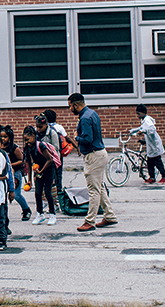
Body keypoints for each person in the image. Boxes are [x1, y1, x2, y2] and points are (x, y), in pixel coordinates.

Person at [66, 93, 118, 232]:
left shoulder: (84, 118)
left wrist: (77, 138)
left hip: (93, 156)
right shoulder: (92, 113)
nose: (70, 109)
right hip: (99, 153)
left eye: (70, 106)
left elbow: (88, 139)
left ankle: (90, 221)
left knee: (93, 190)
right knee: (99, 187)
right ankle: (109, 216)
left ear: (76, 104)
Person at [22, 125, 57, 226]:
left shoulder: (41, 146)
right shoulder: (28, 148)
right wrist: (29, 180)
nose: (27, 142)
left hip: (48, 170)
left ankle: (52, 214)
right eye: (25, 140)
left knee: (47, 193)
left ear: (33, 136)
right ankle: (40, 214)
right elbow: (28, 163)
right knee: (37, 193)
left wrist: (41, 170)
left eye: (28, 139)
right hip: (39, 172)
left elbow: (49, 160)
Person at [0, 125, 31, 222]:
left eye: (5, 137)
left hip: (15, 173)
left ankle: (26, 210)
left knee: (16, 194)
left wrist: (10, 165)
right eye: (1, 137)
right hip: (3, 174)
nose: (3, 139)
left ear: (10, 137)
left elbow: (22, 161)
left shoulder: (14, 148)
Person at [131, 104, 165, 184]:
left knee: (158, 162)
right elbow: (141, 128)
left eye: (139, 113)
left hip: (155, 145)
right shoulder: (144, 121)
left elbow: (152, 130)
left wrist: (143, 131)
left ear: (143, 112)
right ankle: (152, 177)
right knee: (150, 163)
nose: (137, 116)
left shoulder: (147, 120)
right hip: (151, 145)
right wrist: (132, 131)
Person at [43, 108, 69, 193]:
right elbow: (66, 137)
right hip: (57, 154)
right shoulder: (58, 127)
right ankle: (58, 190)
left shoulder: (44, 127)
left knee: (48, 173)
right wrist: (76, 146)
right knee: (58, 173)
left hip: (45, 154)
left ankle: (49, 189)